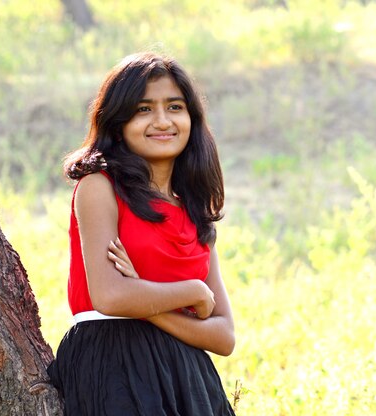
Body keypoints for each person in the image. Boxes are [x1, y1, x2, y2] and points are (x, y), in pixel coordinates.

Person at [47, 52, 236, 415]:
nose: (162, 121)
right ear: (118, 123)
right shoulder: (99, 188)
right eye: (144, 109)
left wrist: (146, 302)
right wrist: (192, 292)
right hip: (114, 363)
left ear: (191, 120)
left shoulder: (194, 208)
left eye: (175, 107)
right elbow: (110, 298)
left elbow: (224, 336)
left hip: (188, 378)